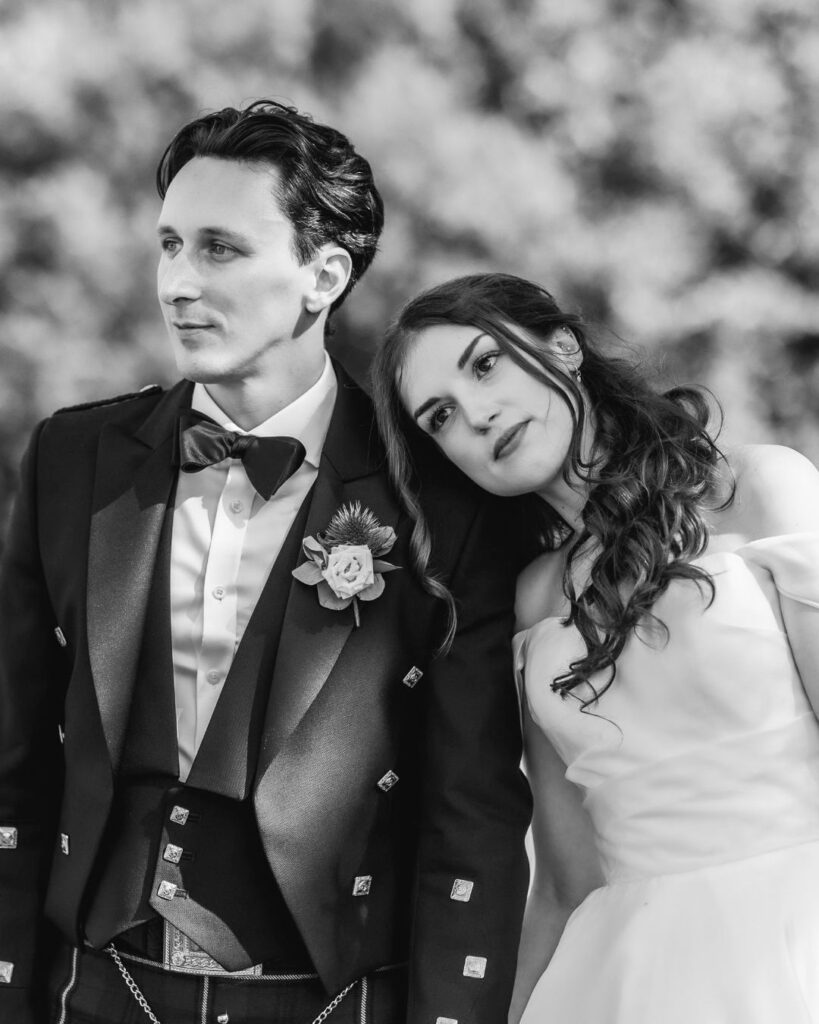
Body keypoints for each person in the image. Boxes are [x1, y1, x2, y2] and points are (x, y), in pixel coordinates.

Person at [0, 105, 532, 1024]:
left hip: (334, 998)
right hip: (96, 988)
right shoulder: (72, 460)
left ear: (322, 276)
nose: (176, 282)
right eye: (169, 245)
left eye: (220, 249)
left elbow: (471, 811)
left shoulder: (437, 501)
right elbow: (13, 761)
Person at [371, 271, 819, 1023]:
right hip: (623, 975)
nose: (475, 416)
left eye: (485, 364)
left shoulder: (759, 487)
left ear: (562, 347)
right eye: (439, 416)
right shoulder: (532, 599)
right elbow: (565, 878)